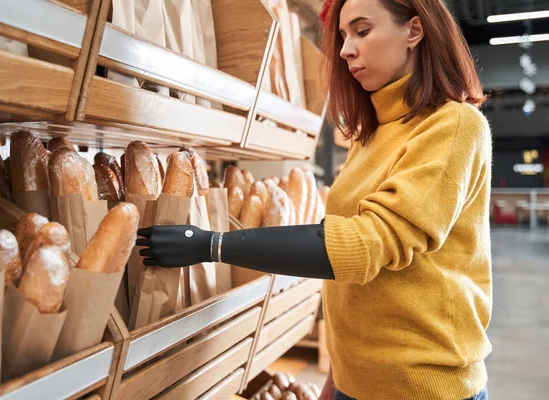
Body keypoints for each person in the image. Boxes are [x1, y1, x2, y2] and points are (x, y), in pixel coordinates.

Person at [136, 0, 493, 398]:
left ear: (414, 30)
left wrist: (213, 245)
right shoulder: (372, 135)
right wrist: (338, 377)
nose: (344, 50)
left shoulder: (455, 126)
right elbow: (361, 293)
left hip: (422, 386)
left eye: (361, 30)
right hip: (355, 382)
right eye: (342, 36)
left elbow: (367, 243)